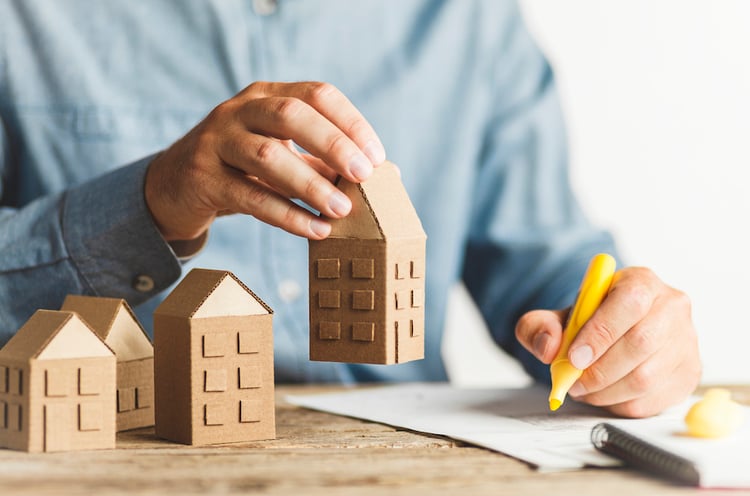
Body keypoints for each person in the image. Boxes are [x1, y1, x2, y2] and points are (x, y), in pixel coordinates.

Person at [0, 0, 700, 417]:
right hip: (124, 452)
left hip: (406, 461)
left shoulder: (465, 17)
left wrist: (624, 335)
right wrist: (149, 201)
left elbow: (546, 271)